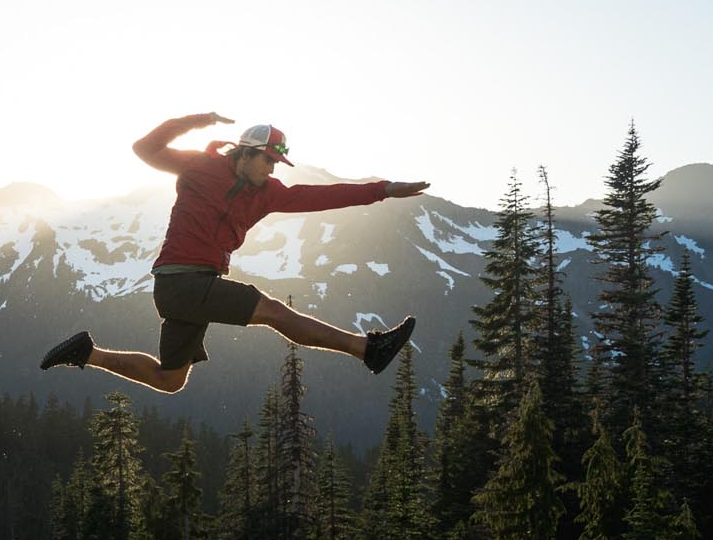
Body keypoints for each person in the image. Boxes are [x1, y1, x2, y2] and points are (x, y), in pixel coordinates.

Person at [40, 114, 425, 392]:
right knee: (272, 310)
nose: (272, 169)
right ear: (245, 153)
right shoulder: (199, 166)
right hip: (180, 283)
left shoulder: (268, 193)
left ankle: (88, 354)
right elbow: (144, 148)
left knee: (170, 380)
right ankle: (367, 350)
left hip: (192, 289)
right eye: (268, 160)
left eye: (277, 163)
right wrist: (192, 121)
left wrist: (384, 189)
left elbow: (321, 196)